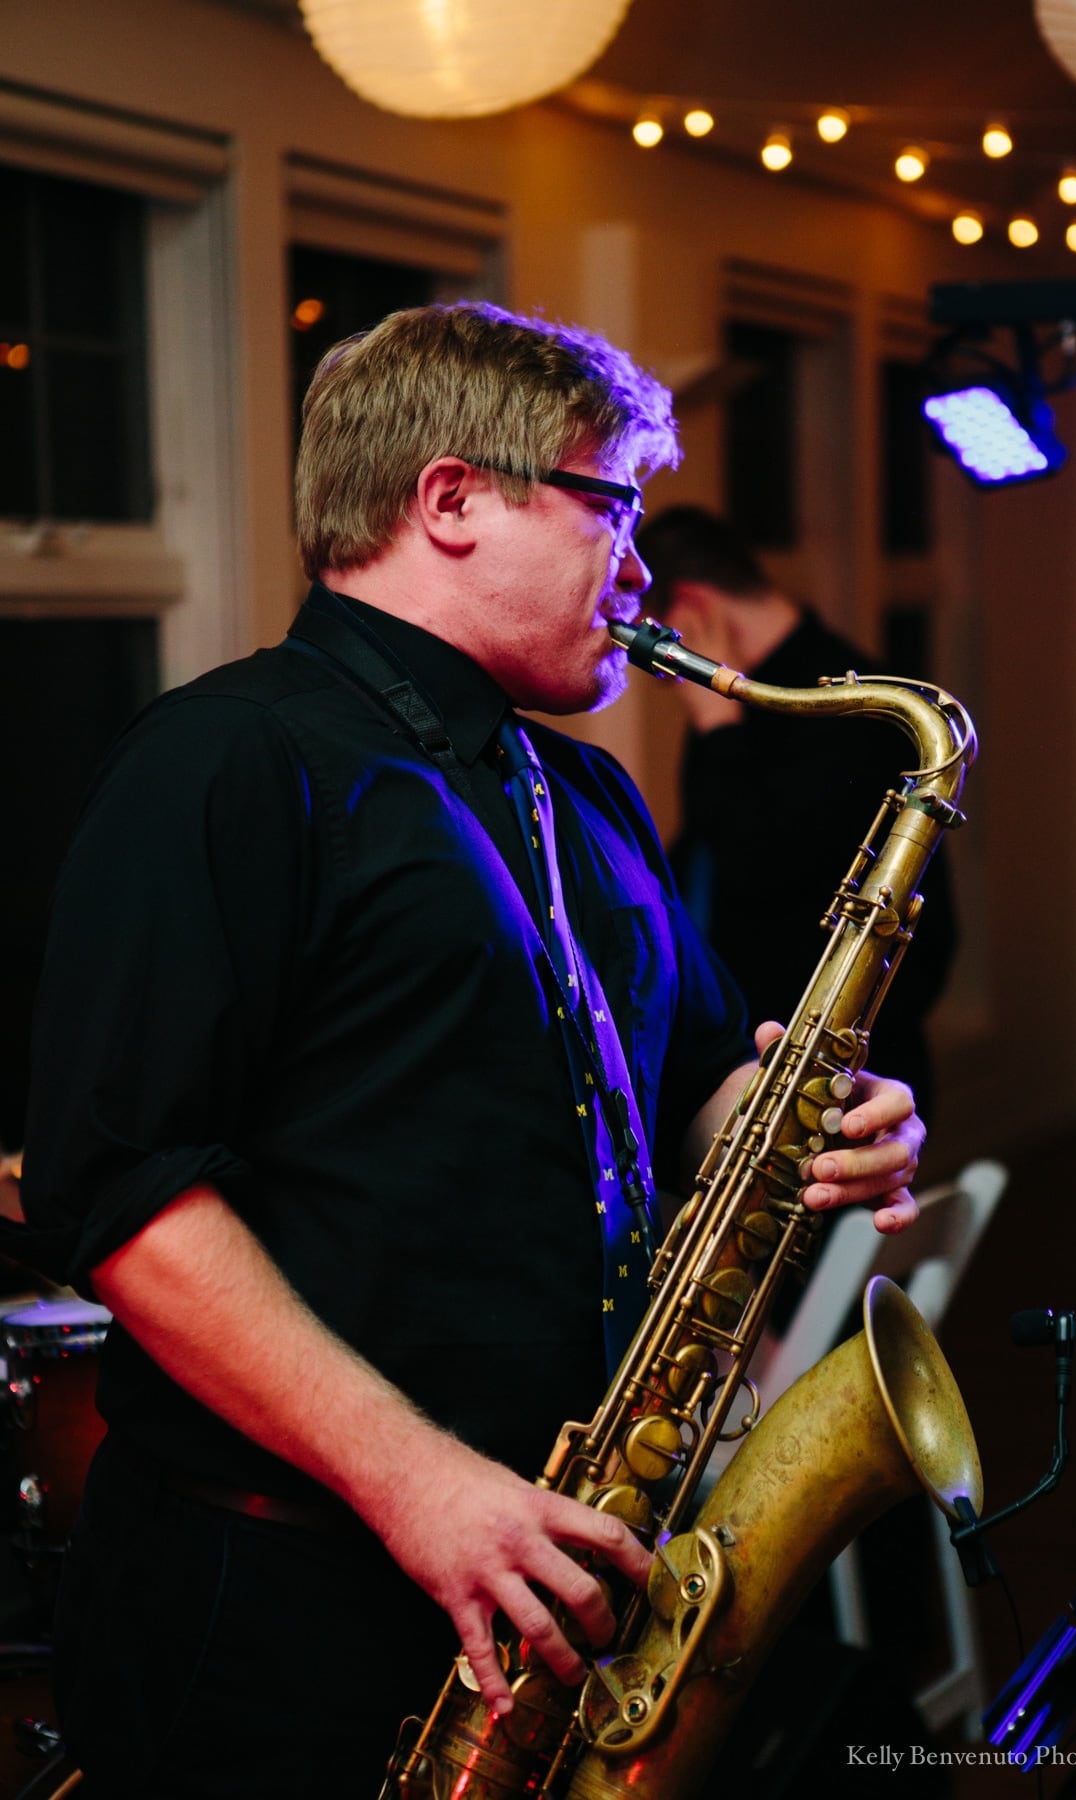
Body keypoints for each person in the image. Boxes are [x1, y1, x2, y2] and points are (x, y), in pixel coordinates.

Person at [14, 303, 925, 1800]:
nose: (640, 566)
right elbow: (123, 1196)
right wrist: (422, 1482)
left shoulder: (581, 790)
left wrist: (804, 1116)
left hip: (548, 1568)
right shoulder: (223, 762)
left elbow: (693, 1077)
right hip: (283, 1592)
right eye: (611, 503)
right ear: (448, 500)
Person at [635, 506, 959, 1124]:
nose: (649, 660)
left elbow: (757, 866)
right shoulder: (739, 701)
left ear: (691, 605)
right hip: (749, 1063)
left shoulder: (852, 711)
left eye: (652, 631)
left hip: (846, 1083)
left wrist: (718, 728)